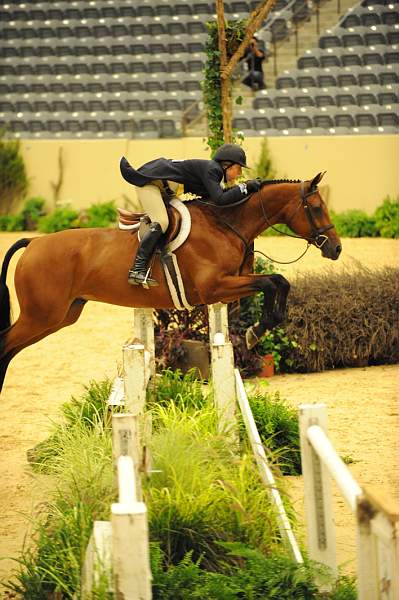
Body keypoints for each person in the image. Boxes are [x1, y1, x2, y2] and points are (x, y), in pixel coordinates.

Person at [120, 143, 261, 287]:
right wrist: (245, 187)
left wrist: (246, 189)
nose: (239, 174)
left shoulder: (214, 173)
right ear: (227, 165)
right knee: (162, 221)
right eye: (238, 169)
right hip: (149, 184)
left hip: (165, 189)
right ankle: (137, 269)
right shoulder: (212, 170)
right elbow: (220, 200)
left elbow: (219, 198)